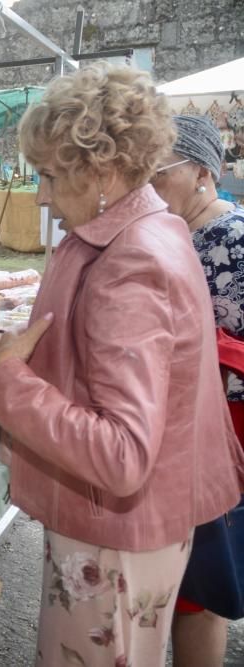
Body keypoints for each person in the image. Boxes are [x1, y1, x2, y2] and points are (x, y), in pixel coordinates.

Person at [0, 63, 244, 667]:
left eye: (48, 176)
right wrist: (31, 358)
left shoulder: (132, 261)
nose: (42, 196)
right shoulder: (145, 229)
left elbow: (121, 455)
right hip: (121, 530)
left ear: (99, 169)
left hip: (116, 538)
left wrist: (11, 382)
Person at [150, 114, 244, 667]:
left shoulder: (231, 240)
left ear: (203, 173)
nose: (149, 188)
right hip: (187, 427)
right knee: (183, 584)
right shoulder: (179, 232)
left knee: (199, 594)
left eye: (159, 174)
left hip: (220, 435)